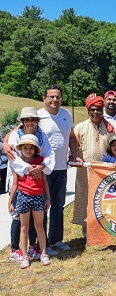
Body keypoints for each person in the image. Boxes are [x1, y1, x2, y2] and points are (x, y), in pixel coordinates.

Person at [6, 107, 55, 262]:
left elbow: (49, 153)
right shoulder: (15, 135)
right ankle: (16, 249)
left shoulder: (41, 136)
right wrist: (28, 168)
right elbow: (13, 155)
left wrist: (41, 166)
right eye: (27, 120)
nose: (30, 122)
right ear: (22, 121)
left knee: (36, 220)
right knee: (18, 218)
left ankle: (34, 246)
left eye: (33, 119)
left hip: (37, 179)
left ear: (36, 122)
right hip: (20, 178)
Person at [72, 93, 115, 237]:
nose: (95, 112)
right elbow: (73, 147)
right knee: (85, 198)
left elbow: (113, 148)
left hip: (104, 171)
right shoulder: (80, 127)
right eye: (92, 109)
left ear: (102, 110)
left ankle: (103, 228)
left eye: (98, 109)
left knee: (103, 199)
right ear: (88, 110)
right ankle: (86, 231)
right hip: (85, 171)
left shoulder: (109, 128)